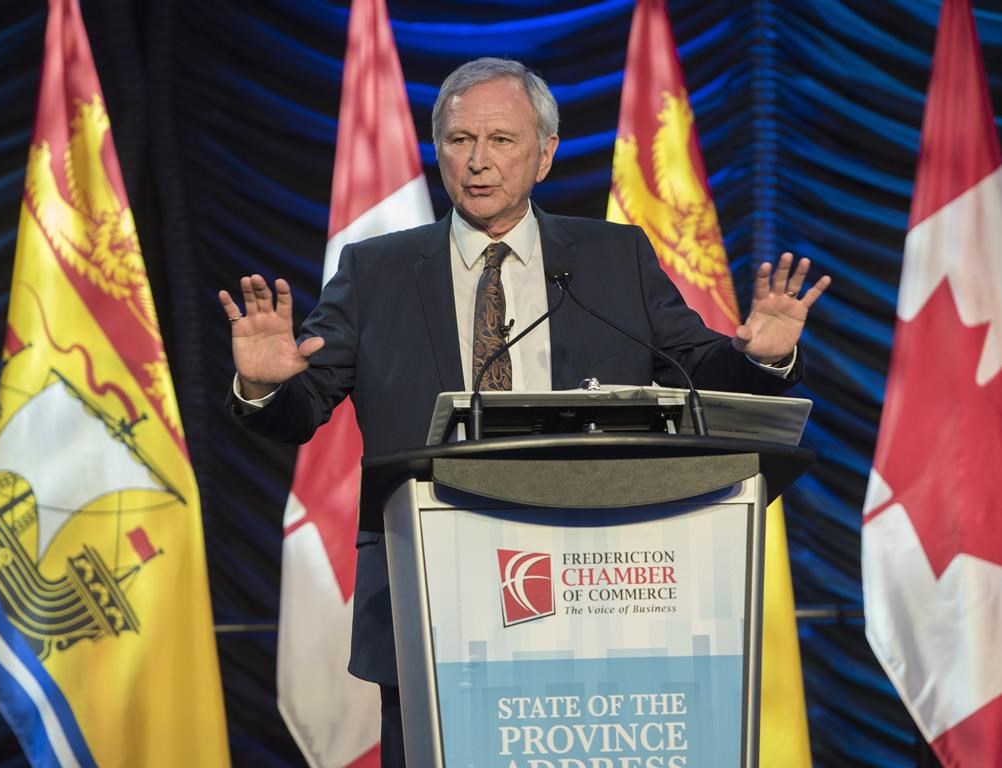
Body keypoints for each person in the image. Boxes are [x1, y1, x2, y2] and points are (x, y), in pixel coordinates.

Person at [220, 57, 829, 765]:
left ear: (545, 156)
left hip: (599, 591)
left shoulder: (612, 258)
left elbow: (696, 371)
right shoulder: (375, 271)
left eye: (502, 141)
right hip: (429, 598)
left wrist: (761, 358)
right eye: (459, 140)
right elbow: (302, 409)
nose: (478, 162)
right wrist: (264, 385)